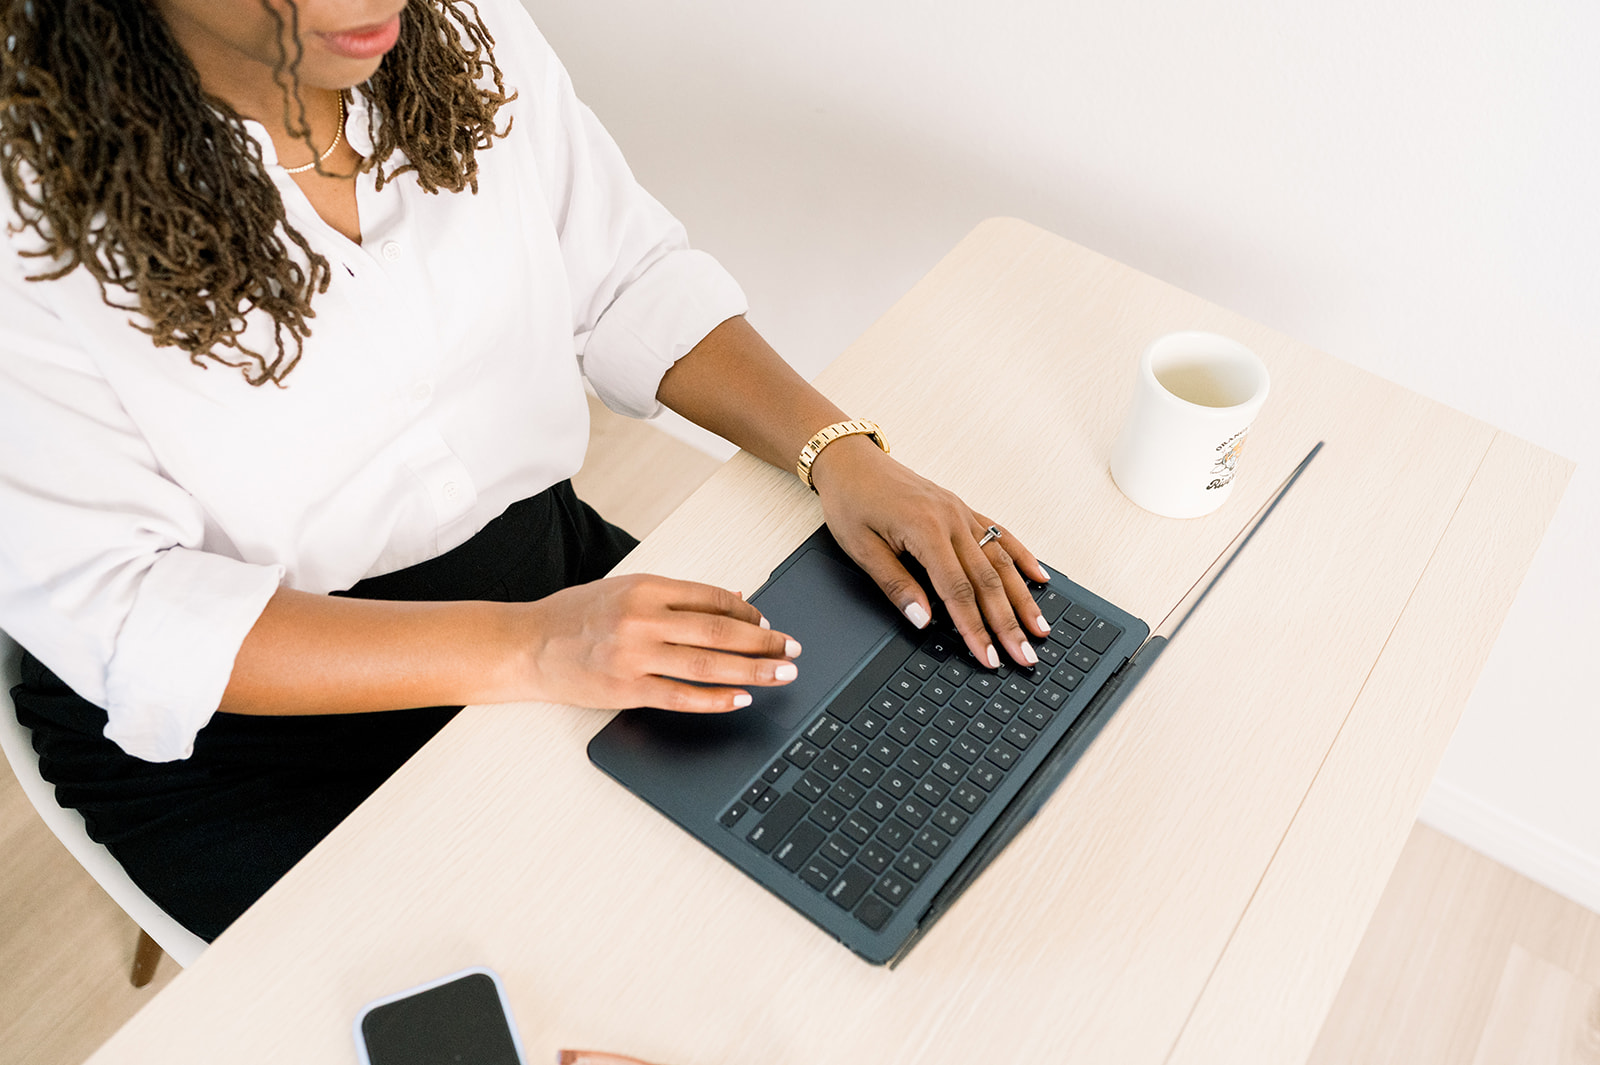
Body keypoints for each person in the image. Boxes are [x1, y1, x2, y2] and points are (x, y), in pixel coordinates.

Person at [0, 0, 1053, 942]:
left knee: (859, 835)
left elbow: (623, 277)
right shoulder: (27, 219)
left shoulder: (460, 30)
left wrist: (839, 454)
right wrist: (532, 648)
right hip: (252, 734)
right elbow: (132, 615)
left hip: (542, 579)